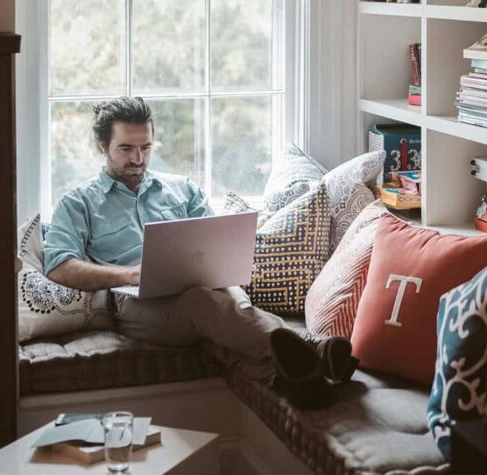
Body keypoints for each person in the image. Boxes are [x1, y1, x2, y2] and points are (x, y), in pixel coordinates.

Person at [43, 97, 352, 405]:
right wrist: (131, 274)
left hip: (207, 289)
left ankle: (299, 382)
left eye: (146, 147)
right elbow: (59, 266)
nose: (138, 158)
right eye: (126, 148)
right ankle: (314, 349)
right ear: (102, 146)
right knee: (203, 303)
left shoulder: (183, 189)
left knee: (223, 311)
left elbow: (215, 243)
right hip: (136, 305)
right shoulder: (78, 202)